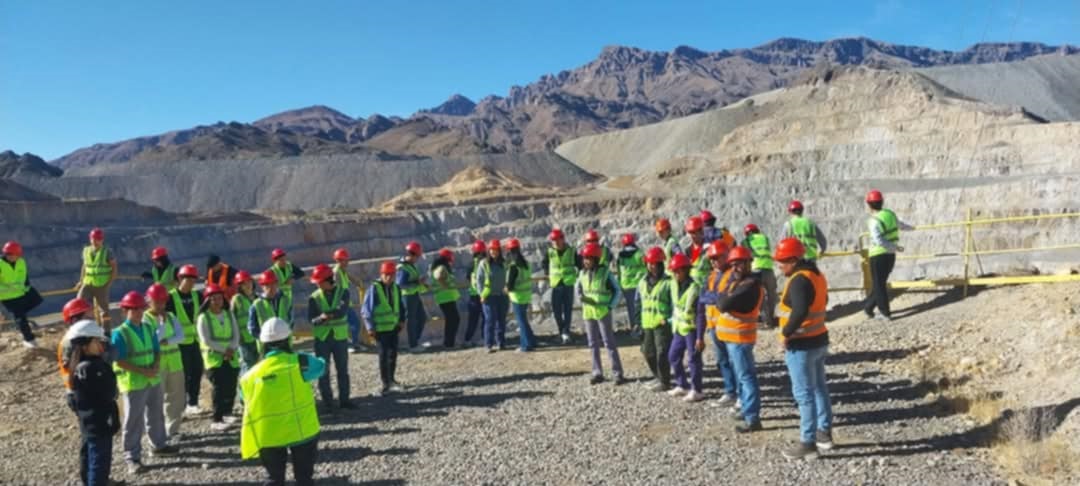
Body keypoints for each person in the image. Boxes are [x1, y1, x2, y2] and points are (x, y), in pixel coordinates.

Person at [240, 317, 325, 486]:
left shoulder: (249, 376)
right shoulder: (301, 362)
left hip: (269, 436)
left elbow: (244, 398)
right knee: (304, 479)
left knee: (274, 479)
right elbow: (321, 367)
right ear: (288, 340)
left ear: (263, 344)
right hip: (302, 432)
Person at [774, 238, 834, 460]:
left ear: (793, 260)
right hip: (818, 340)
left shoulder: (799, 280)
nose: (779, 266)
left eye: (782, 261)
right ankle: (824, 432)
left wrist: (786, 334)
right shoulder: (816, 275)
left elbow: (799, 312)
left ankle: (808, 442)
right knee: (819, 388)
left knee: (804, 394)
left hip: (801, 344)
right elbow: (823, 300)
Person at [112, 291, 175, 475]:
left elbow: (156, 350)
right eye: (134, 309)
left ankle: (159, 445)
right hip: (134, 383)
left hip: (152, 379)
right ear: (125, 311)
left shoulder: (148, 327)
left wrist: (155, 365)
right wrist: (144, 371)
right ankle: (132, 457)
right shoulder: (120, 333)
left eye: (140, 308)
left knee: (156, 414)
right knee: (133, 421)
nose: (138, 312)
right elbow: (119, 361)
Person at [712, 247, 765, 433]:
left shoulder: (750, 285)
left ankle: (752, 418)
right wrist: (724, 299)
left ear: (748, 263)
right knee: (742, 376)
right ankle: (746, 409)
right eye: (733, 264)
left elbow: (723, 303)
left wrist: (724, 299)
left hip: (740, 338)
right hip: (732, 339)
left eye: (739, 263)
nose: (735, 267)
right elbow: (720, 299)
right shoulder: (737, 283)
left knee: (746, 377)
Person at [62, 320, 120, 486]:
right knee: (99, 463)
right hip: (99, 422)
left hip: (90, 422)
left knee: (90, 458)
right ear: (86, 344)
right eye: (97, 341)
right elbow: (108, 394)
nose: (101, 345)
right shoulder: (91, 368)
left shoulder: (79, 366)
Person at [576, 242, 625, 385]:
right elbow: (578, 288)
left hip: (603, 312)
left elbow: (617, 290)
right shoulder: (582, 273)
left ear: (595, 259)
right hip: (588, 313)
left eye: (588, 258)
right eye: (585, 258)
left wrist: (610, 306)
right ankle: (597, 372)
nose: (585, 261)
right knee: (592, 344)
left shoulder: (605, 273)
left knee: (609, 343)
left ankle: (617, 373)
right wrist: (580, 299)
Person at [307, 264, 354, 412]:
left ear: (328, 280)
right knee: (323, 371)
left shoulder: (343, 292)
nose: (318, 285)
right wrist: (321, 318)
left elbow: (342, 311)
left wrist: (326, 316)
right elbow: (311, 319)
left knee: (342, 370)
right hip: (322, 339)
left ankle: (344, 401)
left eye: (320, 282)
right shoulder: (314, 297)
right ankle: (328, 403)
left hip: (340, 337)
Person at [697, 240, 739, 404]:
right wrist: (714, 297)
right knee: (722, 360)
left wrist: (713, 297)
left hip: (728, 325)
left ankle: (739, 393)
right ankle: (730, 391)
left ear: (726, 256)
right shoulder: (711, 276)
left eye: (717, 257)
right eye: (711, 258)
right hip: (714, 326)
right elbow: (703, 297)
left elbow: (725, 297)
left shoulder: (732, 275)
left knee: (734, 361)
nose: (714, 261)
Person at [144, 283, 186, 443]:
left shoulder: (171, 316)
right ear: (149, 301)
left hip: (175, 363)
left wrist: (167, 341)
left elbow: (181, 336)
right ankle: (158, 433)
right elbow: (154, 338)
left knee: (176, 398)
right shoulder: (146, 319)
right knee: (156, 400)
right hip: (157, 365)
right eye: (157, 301)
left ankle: (172, 431)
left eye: (163, 301)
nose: (161, 305)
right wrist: (162, 324)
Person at [197, 283, 241, 431]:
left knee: (231, 385)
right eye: (214, 299)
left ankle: (227, 412)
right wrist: (225, 350)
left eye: (219, 298)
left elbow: (236, 334)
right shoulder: (203, 317)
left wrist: (232, 348)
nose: (217, 301)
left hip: (231, 356)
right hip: (214, 359)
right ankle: (217, 418)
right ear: (208, 301)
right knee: (219, 388)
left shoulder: (229, 314)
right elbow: (206, 340)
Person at [863, 190, 910, 321]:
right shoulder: (890, 214)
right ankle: (868, 308)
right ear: (882, 202)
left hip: (878, 255)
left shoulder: (873, 220)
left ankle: (885, 313)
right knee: (880, 283)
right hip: (890, 255)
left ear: (869, 204)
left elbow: (879, 240)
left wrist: (894, 247)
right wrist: (913, 228)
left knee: (879, 284)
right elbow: (901, 225)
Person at [363, 261, 407, 396]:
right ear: (381, 274)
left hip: (393, 327)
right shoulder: (374, 289)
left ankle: (392, 380)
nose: (389, 277)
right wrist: (370, 328)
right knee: (383, 356)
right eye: (386, 274)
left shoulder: (396, 288)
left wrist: (402, 321)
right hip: (380, 329)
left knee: (392, 354)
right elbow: (367, 310)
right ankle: (385, 383)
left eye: (391, 275)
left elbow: (401, 306)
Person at [166, 264, 204, 416]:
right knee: (183, 375)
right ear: (180, 279)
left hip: (195, 341)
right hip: (179, 343)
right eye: (188, 279)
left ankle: (193, 403)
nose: (191, 283)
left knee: (197, 371)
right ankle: (181, 405)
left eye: (193, 280)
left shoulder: (197, 296)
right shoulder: (171, 297)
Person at [666, 254, 704, 402]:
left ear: (686, 270)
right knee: (673, 356)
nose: (676, 274)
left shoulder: (695, 288)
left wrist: (700, 337)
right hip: (679, 328)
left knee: (693, 359)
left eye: (678, 270)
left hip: (691, 329)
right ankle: (682, 384)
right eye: (674, 271)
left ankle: (697, 390)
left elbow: (700, 314)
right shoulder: (674, 284)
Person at [637, 247, 673, 391]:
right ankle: (658, 376)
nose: (652, 266)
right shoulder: (642, 282)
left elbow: (674, 304)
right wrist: (637, 322)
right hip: (647, 322)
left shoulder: (668, 282)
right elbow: (638, 303)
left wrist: (669, 320)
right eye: (650, 263)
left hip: (662, 323)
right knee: (647, 352)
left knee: (662, 353)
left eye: (655, 263)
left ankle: (665, 382)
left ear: (660, 264)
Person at [542, 228, 581, 344]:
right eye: (553, 240)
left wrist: (578, 274)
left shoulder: (571, 251)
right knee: (556, 310)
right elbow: (544, 263)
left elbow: (579, 264)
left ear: (562, 239)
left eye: (557, 240)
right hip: (556, 284)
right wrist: (546, 273)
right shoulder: (550, 252)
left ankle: (565, 333)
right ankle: (562, 331)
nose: (555, 242)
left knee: (567, 310)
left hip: (568, 283)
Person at [2, 241, 41, 348]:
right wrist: (9, 288)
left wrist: (26, 286)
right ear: (7, 254)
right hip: (7, 296)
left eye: (17, 255)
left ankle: (19, 317)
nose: (16, 257)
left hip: (20, 291)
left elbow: (24, 276)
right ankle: (29, 340)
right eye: (12, 255)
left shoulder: (21, 262)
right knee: (21, 317)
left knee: (37, 299)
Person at [78, 228, 117, 333]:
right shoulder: (86, 250)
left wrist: (108, 284)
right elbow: (85, 266)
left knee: (104, 311)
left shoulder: (107, 252)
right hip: (88, 283)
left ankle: (106, 333)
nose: (95, 241)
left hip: (101, 285)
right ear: (90, 239)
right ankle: (85, 329)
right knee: (80, 303)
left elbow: (114, 268)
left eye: (98, 239)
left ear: (102, 240)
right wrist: (81, 281)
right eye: (93, 239)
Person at [475, 239, 509, 352]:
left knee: (501, 320)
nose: (493, 252)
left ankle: (501, 343)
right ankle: (488, 344)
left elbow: (508, 276)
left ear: (499, 250)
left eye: (496, 249)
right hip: (489, 296)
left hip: (502, 296)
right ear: (488, 251)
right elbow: (479, 280)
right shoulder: (484, 263)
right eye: (491, 250)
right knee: (490, 320)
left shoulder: (504, 263)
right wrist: (481, 294)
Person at [742, 224, 778, 327]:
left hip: (756, 269)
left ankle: (767, 320)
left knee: (760, 296)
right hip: (769, 268)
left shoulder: (746, 241)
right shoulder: (765, 238)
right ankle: (771, 316)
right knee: (772, 294)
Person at [332, 248, 367, 353]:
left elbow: (350, 278)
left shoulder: (342, 271)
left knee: (352, 324)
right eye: (345, 260)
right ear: (339, 260)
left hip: (346, 303)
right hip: (342, 304)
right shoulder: (336, 273)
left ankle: (354, 344)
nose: (347, 262)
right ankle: (352, 345)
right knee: (354, 324)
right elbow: (336, 290)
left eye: (347, 259)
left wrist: (358, 283)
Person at [396, 241, 429, 352]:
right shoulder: (403, 268)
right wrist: (418, 282)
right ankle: (413, 345)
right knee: (412, 320)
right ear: (411, 254)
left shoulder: (410, 266)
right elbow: (401, 284)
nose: (418, 259)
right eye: (417, 256)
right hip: (408, 297)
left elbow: (413, 281)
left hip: (414, 295)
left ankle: (415, 341)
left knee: (422, 318)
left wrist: (421, 283)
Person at [505, 238, 536, 352]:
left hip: (517, 297)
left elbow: (510, 285)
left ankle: (525, 345)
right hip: (526, 295)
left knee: (521, 322)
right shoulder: (526, 263)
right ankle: (532, 341)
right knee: (524, 320)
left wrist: (506, 289)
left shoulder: (513, 266)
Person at [249, 270, 293, 346]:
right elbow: (252, 328)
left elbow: (291, 322)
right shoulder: (257, 305)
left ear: (277, 284)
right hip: (266, 346)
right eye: (267, 285)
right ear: (262, 287)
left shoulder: (285, 300)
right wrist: (265, 339)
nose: (271, 288)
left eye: (273, 284)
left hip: (285, 344)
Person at [58, 298, 95, 389]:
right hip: (80, 389)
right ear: (75, 320)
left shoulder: (86, 337)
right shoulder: (70, 341)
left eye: (92, 318)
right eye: (88, 318)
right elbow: (72, 368)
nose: (92, 321)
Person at [430, 248, 462, 348]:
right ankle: (449, 343)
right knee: (454, 319)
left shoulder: (439, 266)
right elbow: (438, 276)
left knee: (451, 320)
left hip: (446, 298)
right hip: (445, 298)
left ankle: (449, 342)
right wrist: (445, 286)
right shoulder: (442, 267)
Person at [615, 233, 646, 336]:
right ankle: (642, 329)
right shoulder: (639, 254)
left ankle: (635, 329)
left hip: (626, 286)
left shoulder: (620, 256)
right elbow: (646, 266)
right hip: (639, 284)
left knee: (631, 310)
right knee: (641, 308)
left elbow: (619, 271)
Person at [230, 271, 261, 373]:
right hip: (244, 340)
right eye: (244, 283)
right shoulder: (236, 300)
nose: (247, 285)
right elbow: (232, 319)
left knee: (260, 365)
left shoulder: (258, 298)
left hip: (258, 338)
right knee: (248, 365)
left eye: (249, 282)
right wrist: (238, 337)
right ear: (240, 286)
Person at [462, 240, 486, 347]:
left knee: (473, 320)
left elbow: (468, 278)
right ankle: (484, 338)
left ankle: (467, 340)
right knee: (485, 317)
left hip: (473, 296)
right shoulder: (485, 263)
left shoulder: (470, 264)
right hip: (484, 294)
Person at [684, 216, 711, 286]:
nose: (692, 236)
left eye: (694, 232)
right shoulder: (688, 251)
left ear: (701, 231)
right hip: (692, 285)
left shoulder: (709, 248)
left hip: (707, 285)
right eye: (690, 233)